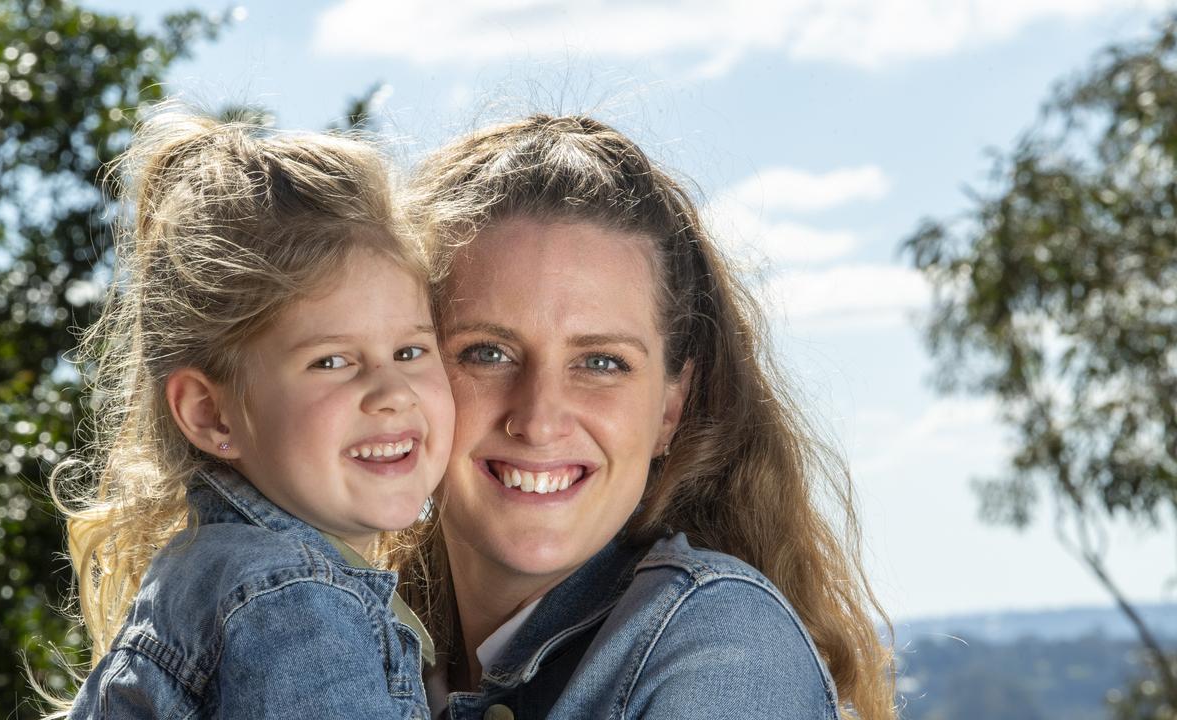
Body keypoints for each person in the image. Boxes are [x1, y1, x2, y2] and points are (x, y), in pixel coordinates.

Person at [392, 114, 897, 719]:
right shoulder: (352, 642)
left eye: (601, 362)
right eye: (487, 353)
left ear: (669, 407)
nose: (539, 418)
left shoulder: (718, 648)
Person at [54, 110, 453, 719]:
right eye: (333, 361)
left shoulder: (212, 570)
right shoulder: (293, 603)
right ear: (212, 413)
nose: (391, 391)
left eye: (410, 350)